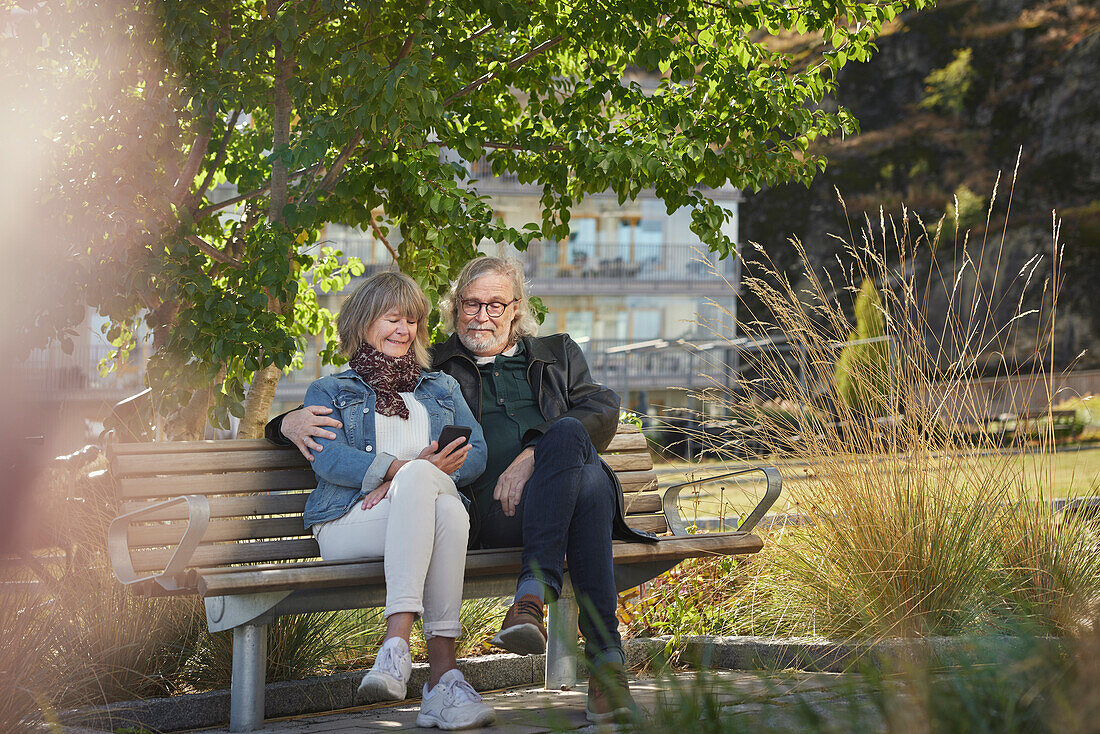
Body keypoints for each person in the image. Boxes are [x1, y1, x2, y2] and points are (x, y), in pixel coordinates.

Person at [269, 257, 655, 724]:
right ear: (455, 310)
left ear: (516, 309)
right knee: (582, 478)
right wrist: (283, 423)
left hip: (557, 497)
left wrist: (531, 456)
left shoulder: (555, 354)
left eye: (496, 304)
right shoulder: (442, 367)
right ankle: (599, 665)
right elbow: (335, 428)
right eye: (471, 304)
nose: (482, 315)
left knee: (580, 461)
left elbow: (601, 408)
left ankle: (532, 600)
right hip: (496, 512)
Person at [301, 271, 495, 730]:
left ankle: (410, 660)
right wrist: (400, 471)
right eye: (392, 318)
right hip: (350, 522)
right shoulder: (330, 390)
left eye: (411, 321)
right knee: (428, 488)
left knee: (447, 505)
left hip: (424, 521)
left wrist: (416, 478)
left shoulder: (441, 388)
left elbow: (478, 453)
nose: (403, 330)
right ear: (364, 322)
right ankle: (438, 675)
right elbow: (327, 458)